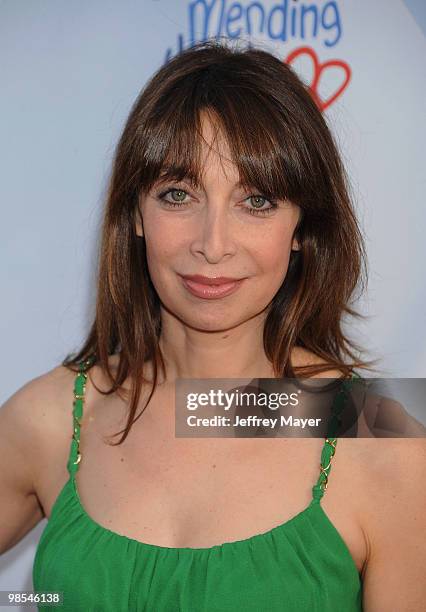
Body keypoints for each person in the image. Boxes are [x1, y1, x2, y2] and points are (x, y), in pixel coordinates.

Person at [1, 38, 424, 611]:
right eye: (178, 194)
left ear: (302, 228)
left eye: (257, 201)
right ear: (135, 215)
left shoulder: (380, 440)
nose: (212, 245)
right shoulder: (53, 419)